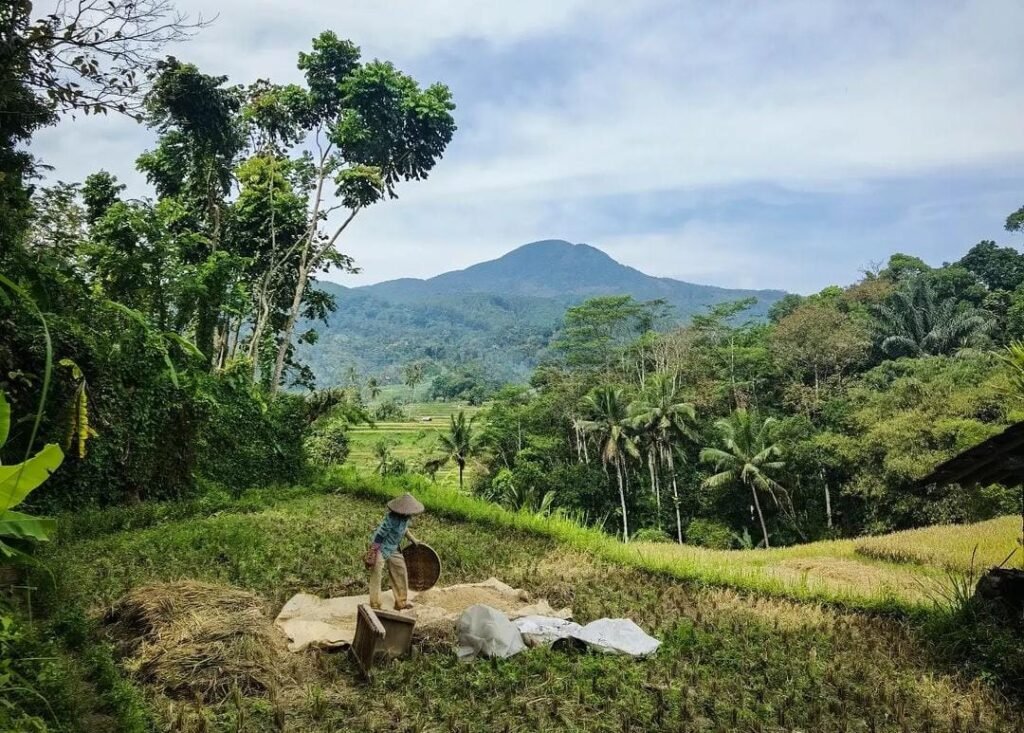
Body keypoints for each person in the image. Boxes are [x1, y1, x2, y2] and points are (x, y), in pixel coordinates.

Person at [364, 492, 424, 611]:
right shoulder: (391, 519)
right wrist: (373, 551)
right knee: (377, 573)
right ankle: (375, 604)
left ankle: (401, 602)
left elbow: (405, 530)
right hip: (381, 547)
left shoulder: (406, 519)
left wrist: (413, 540)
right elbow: (380, 535)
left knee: (401, 570)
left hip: (393, 548)